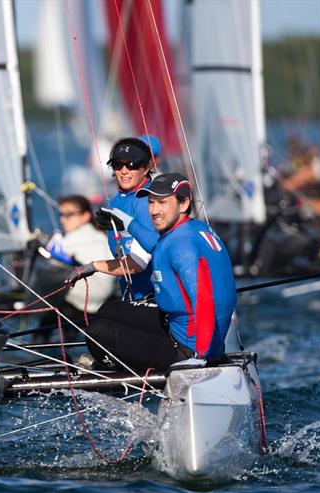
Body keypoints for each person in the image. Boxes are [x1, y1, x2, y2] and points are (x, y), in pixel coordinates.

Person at [69, 173, 237, 372]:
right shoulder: (194, 229)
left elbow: (202, 300)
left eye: (163, 203)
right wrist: (129, 224)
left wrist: (199, 357)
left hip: (187, 349)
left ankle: (109, 368)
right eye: (151, 202)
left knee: (96, 333)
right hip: (183, 329)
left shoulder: (180, 246)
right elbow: (158, 246)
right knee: (108, 310)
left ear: (183, 204)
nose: (154, 211)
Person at [65, 137, 160, 300]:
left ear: (145, 168)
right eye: (118, 165)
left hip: (154, 296)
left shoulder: (147, 200)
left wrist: (92, 266)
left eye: (131, 165)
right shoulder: (116, 200)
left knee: (100, 325)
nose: (124, 171)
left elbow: (137, 264)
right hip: (130, 293)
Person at [39, 196, 116, 340]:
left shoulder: (76, 236)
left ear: (85, 216)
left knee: (46, 322)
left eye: (68, 215)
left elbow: (50, 258)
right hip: (104, 298)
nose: (63, 219)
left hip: (85, 298)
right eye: (61, 214)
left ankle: (40, 342)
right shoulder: (100, 235)